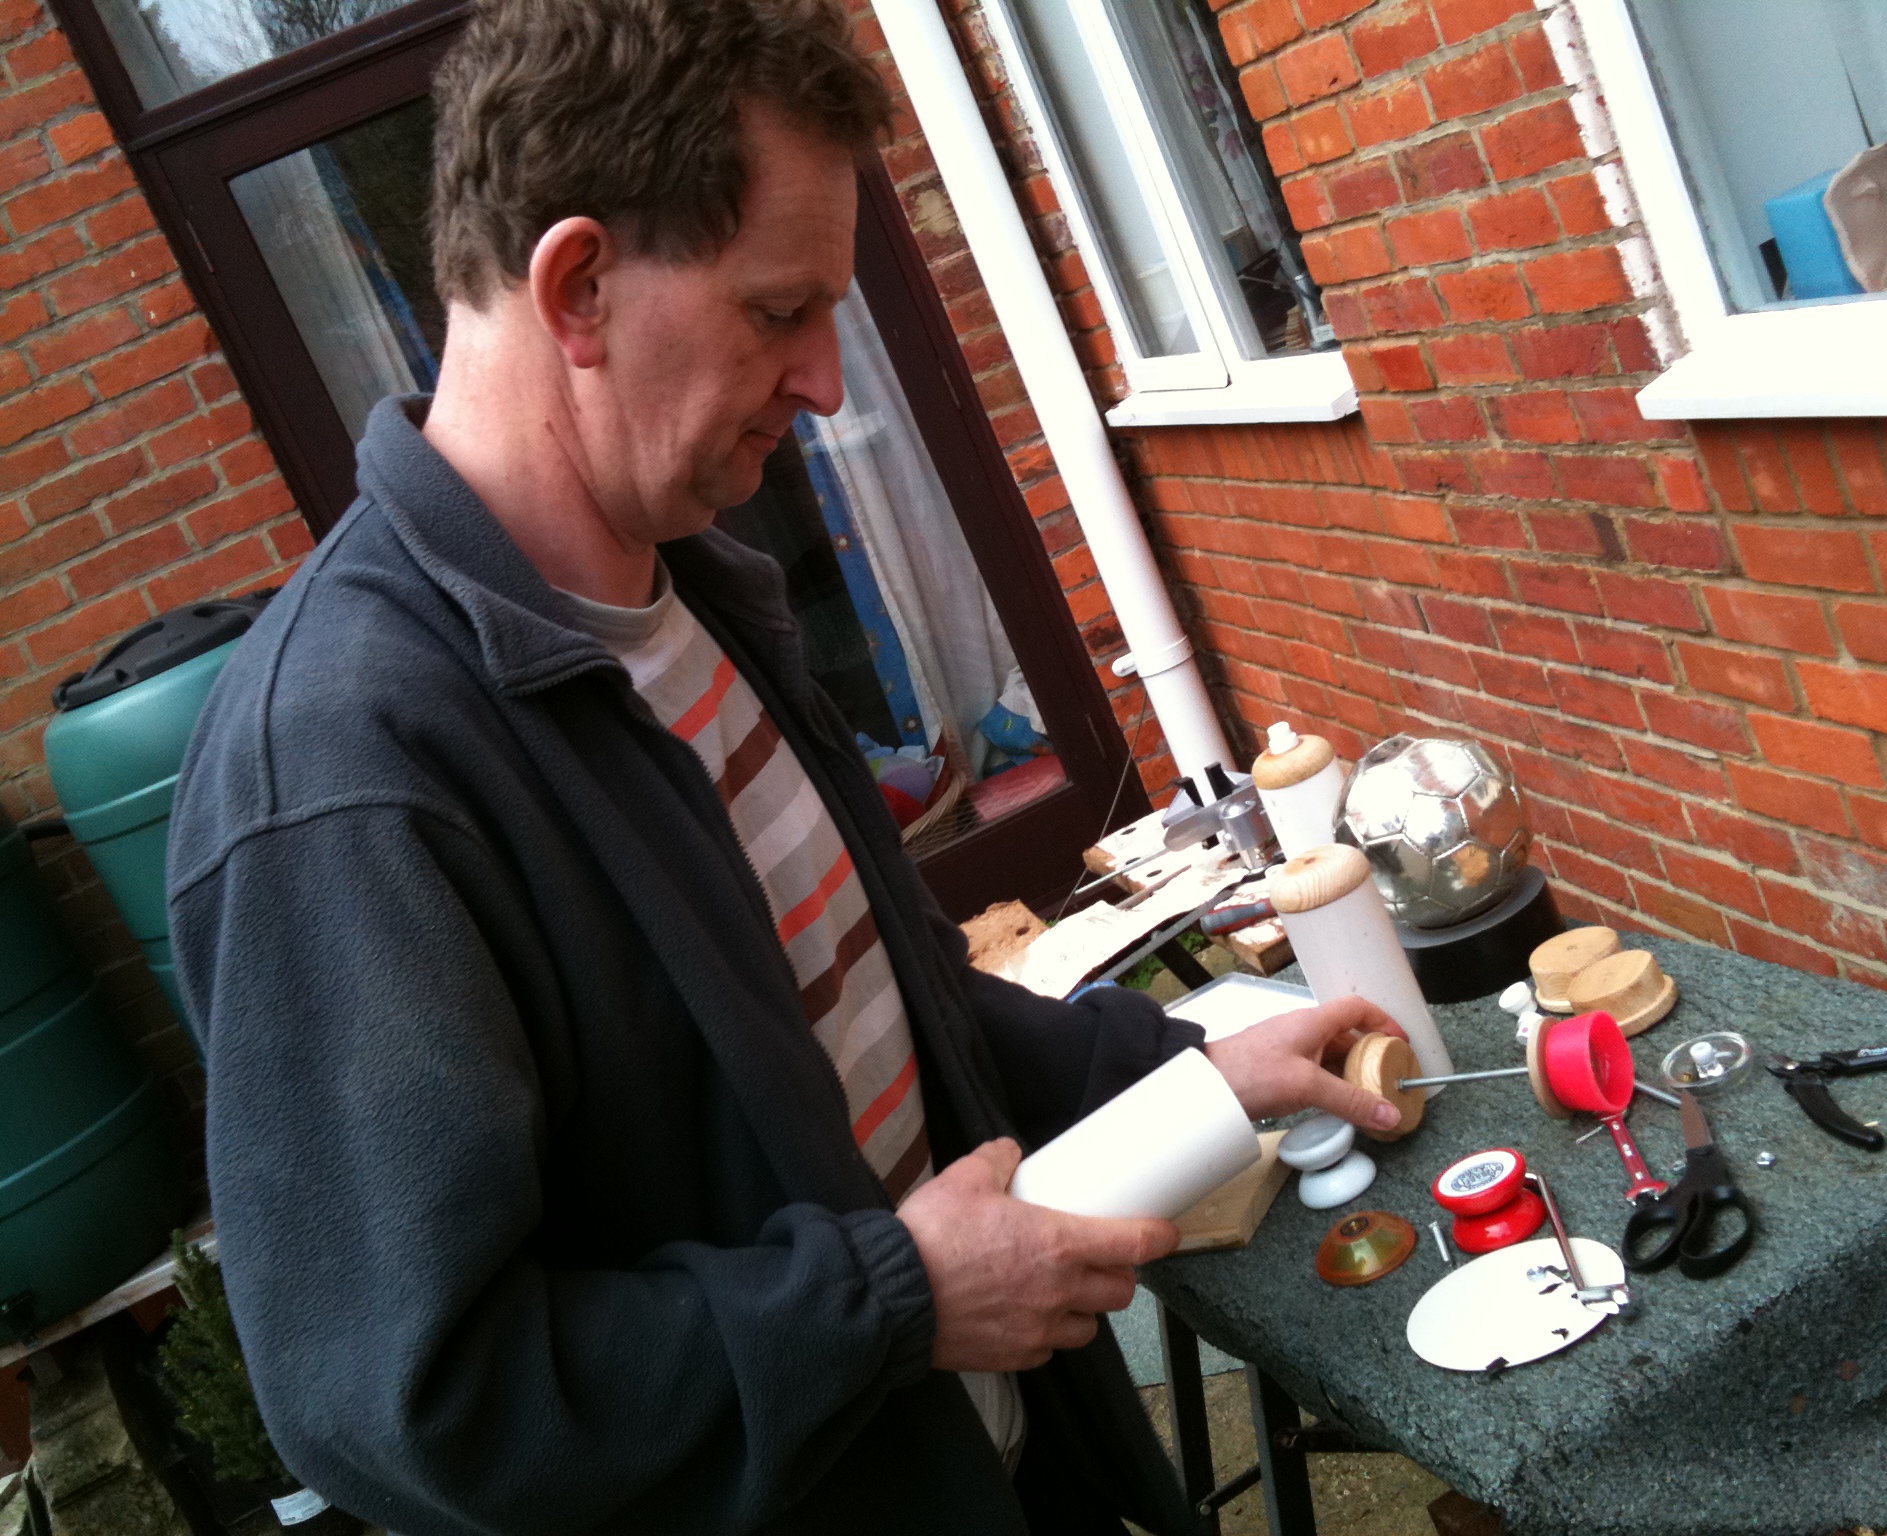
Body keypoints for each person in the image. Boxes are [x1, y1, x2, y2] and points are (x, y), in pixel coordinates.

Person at [166, 2, 1407, 1532]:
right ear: (578, 286)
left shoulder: (696, 594)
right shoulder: (342, 778)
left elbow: (885, 1013)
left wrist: (1180, 1073)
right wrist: (888, 1302)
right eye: (778, 312)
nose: (825, 382)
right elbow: (416, 1408)